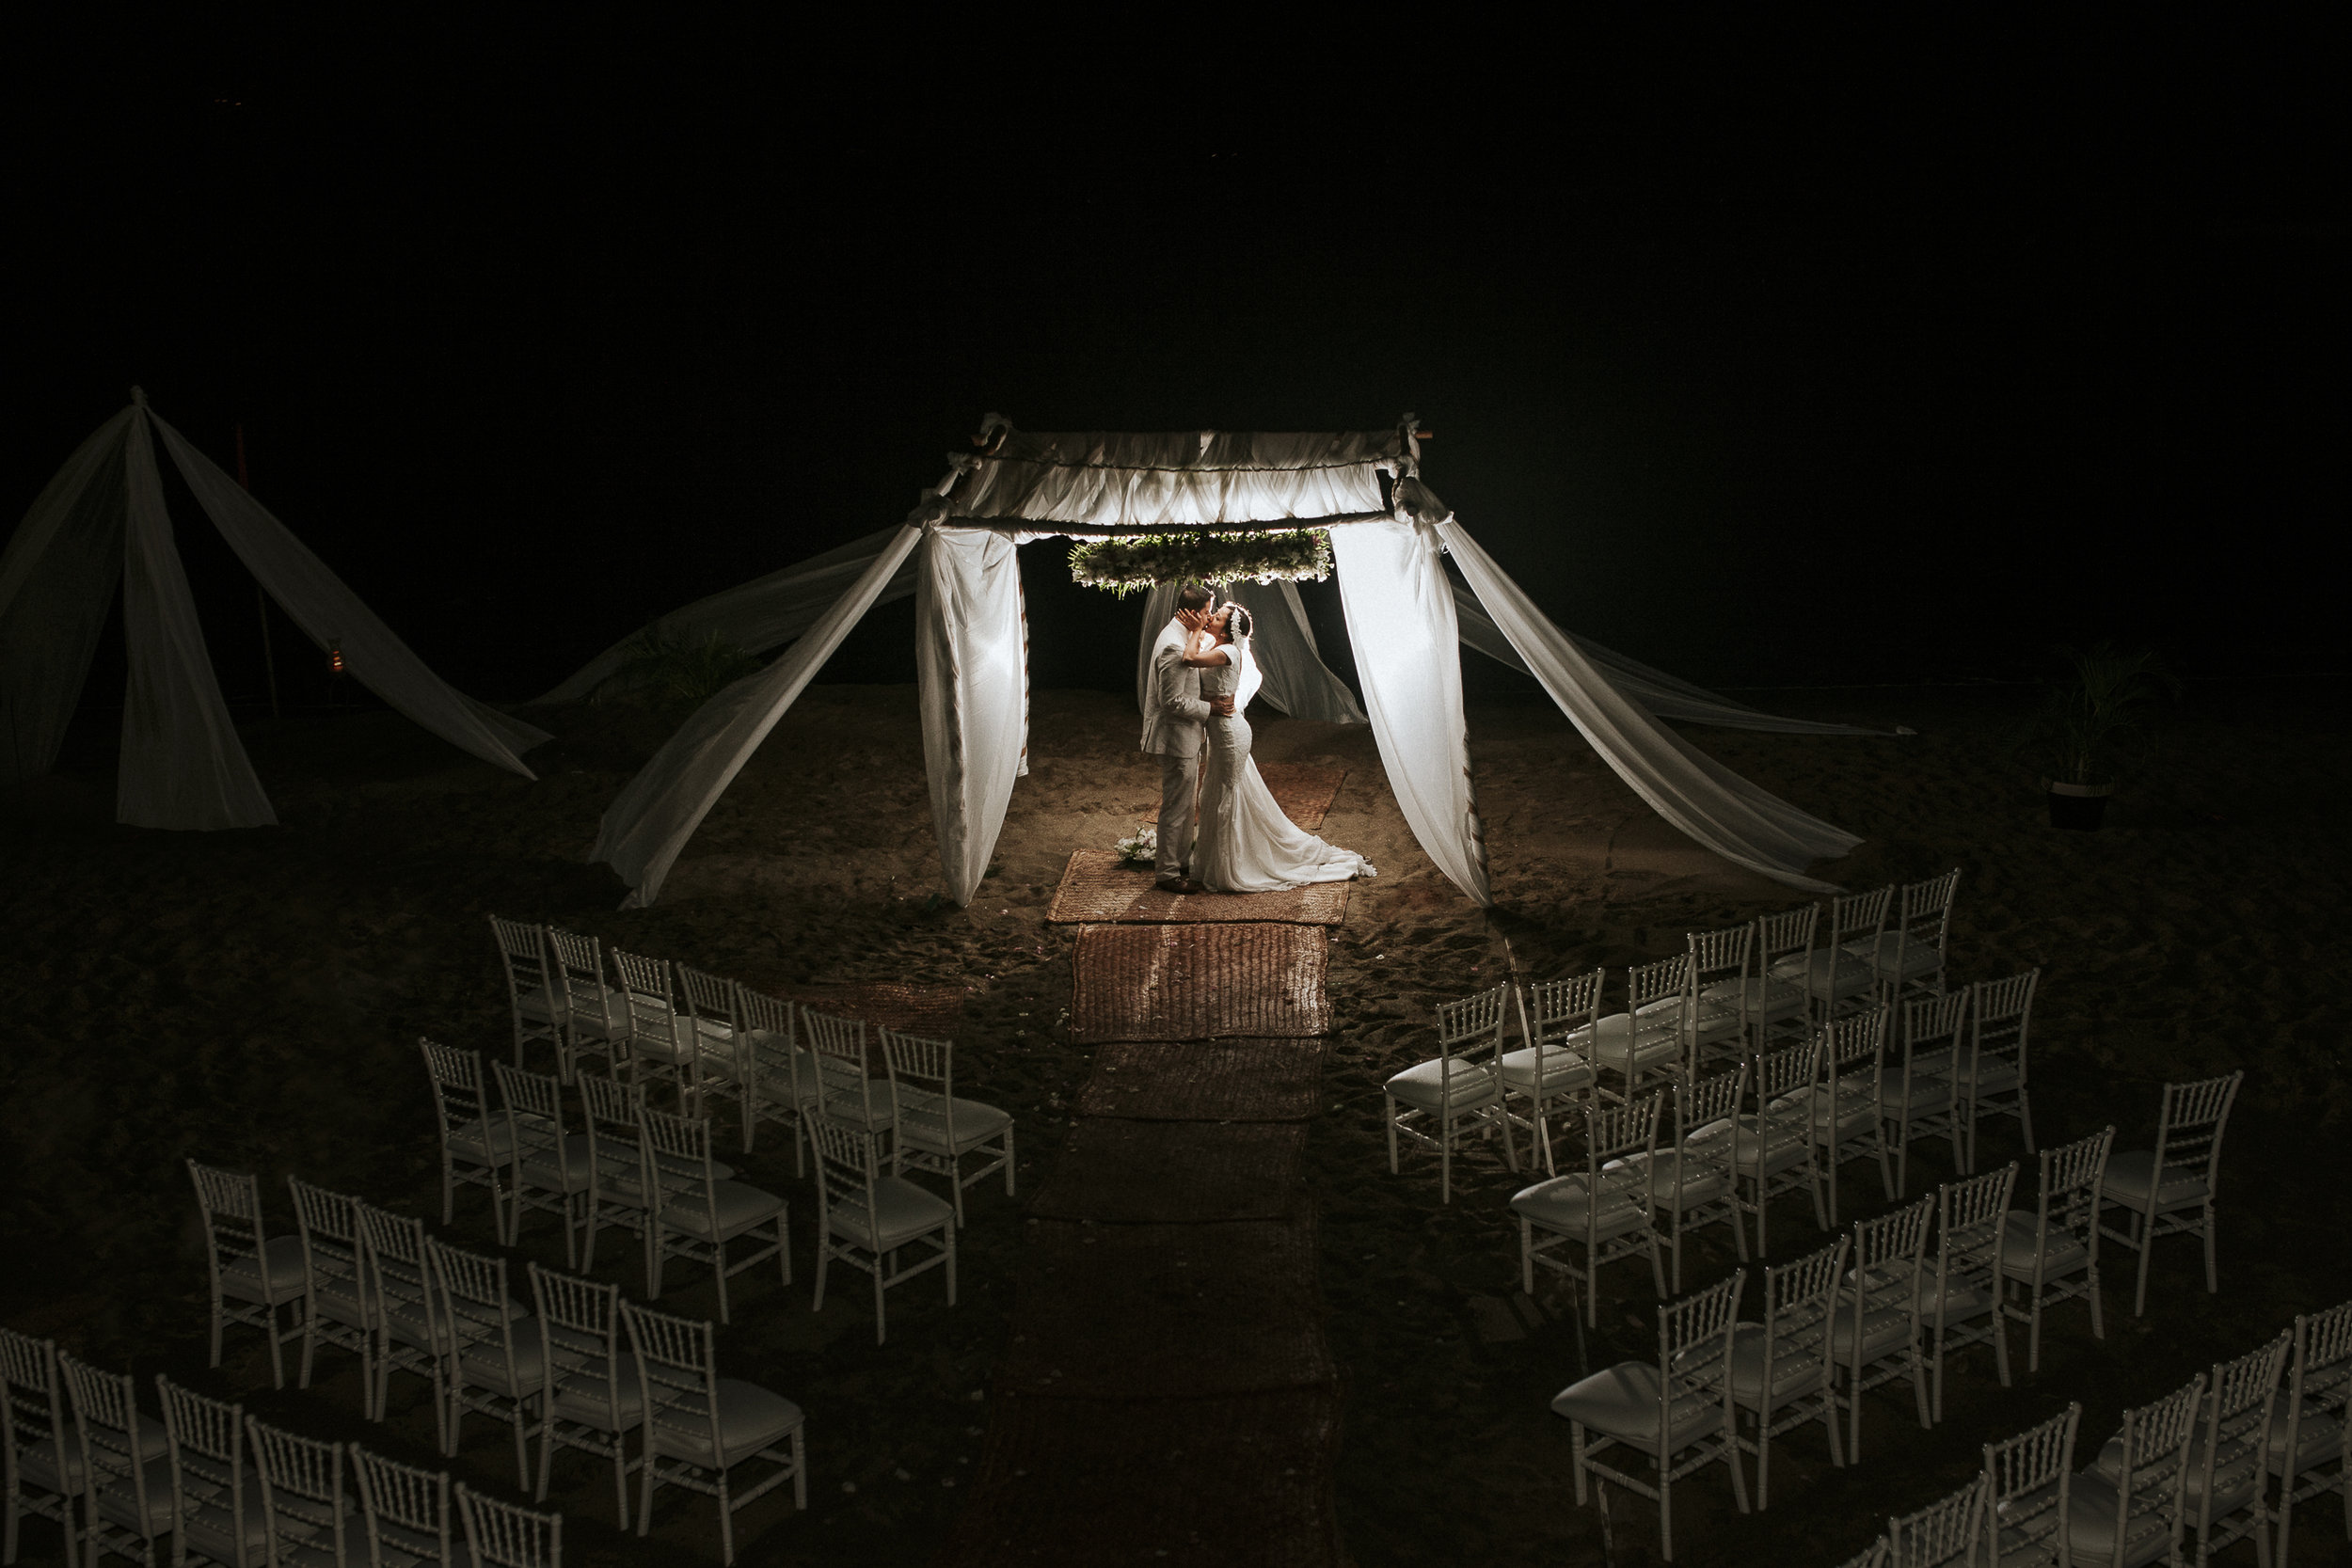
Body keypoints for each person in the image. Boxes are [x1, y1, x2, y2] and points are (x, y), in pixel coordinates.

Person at [1183, 602, 1375, 893]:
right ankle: (1213, 861)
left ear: (1228, 630)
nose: (1211, 618)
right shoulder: (1216, 644)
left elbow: (1189, 658)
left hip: (1230, 734)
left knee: (1226, 795)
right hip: (1222, 732)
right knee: (1214, 793)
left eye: (1217, 617)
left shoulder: (1228, 651)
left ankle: (1232, 865)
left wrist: (1196, 628)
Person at [1140, 583, 1233, 894]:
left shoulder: (1182, 634)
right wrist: (1211, 708)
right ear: (1193, 613)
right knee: (1176, 807)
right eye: (1207, 612)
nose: (1209, 619)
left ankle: (1180, 863)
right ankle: (1166, 873)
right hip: (1175, 738)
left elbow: (1203, 643)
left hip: (1185, 737)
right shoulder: (1172, 645)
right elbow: (1172, 701)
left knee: (1183, 805)